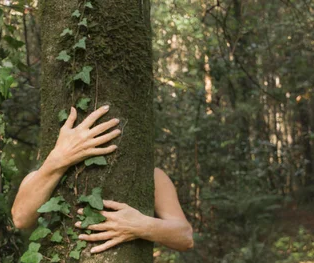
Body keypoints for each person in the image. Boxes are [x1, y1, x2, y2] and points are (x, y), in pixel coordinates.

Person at [11, 105, 194, 254]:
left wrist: (141, 225)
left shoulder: (152, 175)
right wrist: (59, 159)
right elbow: (20, 218)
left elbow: (185, 236)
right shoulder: (45, 170)